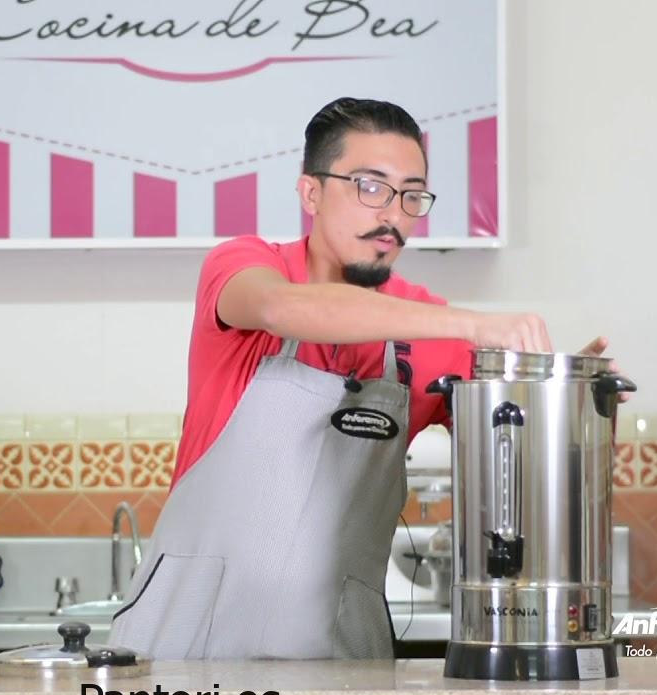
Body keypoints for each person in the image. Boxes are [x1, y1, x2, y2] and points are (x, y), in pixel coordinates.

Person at [108, 97, 620, 661]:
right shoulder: (247, 267)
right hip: (184, 659)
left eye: (411, 195)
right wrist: (475, 324)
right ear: (311, 193)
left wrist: (567, 400)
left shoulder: (427, 331)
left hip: (343, 669)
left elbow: (522, 470)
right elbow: (283, 309)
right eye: (370, 187)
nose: (394, 215)